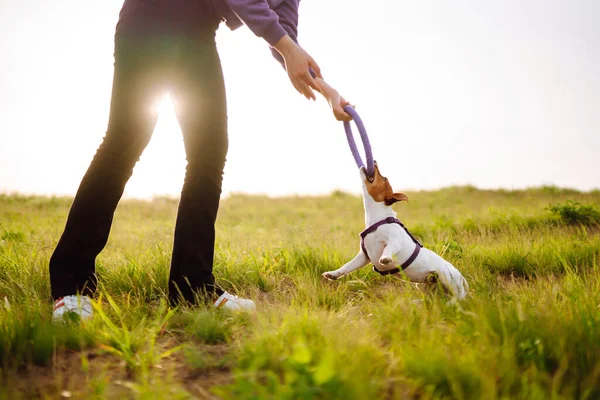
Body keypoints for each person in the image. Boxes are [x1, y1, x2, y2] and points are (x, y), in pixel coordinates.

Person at [50, 0, 352, 321]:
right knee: (125, 141)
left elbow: (285, 35)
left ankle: (191, 289)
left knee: (209, 153)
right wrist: (287, 48)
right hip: (151, 15)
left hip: (199, 31)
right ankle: (71, 286)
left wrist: (327, 90)